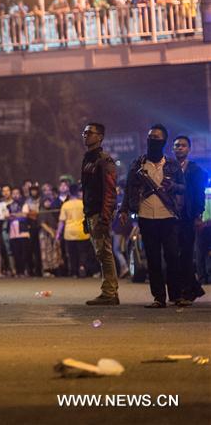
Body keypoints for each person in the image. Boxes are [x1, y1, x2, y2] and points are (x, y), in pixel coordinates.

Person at [119, 124, 185, 308]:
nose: (152, 141)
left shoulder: (171, 164)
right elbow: (129, 188)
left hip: (168, 216)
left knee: (172, 256)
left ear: (164, 141)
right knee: (153, 258)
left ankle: (176, 295)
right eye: (150, 137)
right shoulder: (138, 164)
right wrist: (124, 209)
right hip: (146, 217)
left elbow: (183, 187)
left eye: (156, 138)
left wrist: (173, 187)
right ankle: (158, 298)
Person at [80, 123, 120, 305]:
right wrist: (85, 215)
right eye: (84, 132)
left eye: (90, 133)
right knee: (100, 252)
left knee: (104, 252)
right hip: (90, 213)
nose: (85, 135)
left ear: (100, 137)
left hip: (99, 213)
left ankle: (110, 292)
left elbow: (110, 191)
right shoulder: (87, 159)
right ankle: (108, 291)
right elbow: (87, 190)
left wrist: (105, 216)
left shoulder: (104, 160)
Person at [172, 135, 206, 304]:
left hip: (188, 217)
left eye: (183, 145)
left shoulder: (195, 170)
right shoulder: (168, 168)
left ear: (189, 149)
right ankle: (191, 289)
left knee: (185, 255)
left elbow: (199, 195)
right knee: (174, 256)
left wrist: (198, 215)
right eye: (177, 145)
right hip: (171, 218)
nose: (179, 148)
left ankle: (189, 291)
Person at [58, 185, 90, 278]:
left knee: (72, 254)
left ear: (69, 193)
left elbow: (61, 221)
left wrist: (57, 234)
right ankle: (82, 266)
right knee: (83, 252)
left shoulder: (65, 205)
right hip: (82, 232)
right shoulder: (83, 203)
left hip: (69, 233)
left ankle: (74, 272)